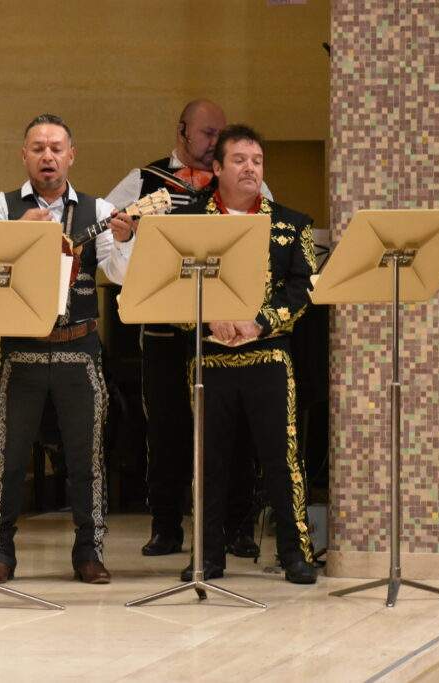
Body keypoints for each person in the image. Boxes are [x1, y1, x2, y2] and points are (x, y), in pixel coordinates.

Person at [106, 99, 267, 559]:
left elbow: (265, 245)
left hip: (225, 330)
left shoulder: (241, 179)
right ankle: (166, 526)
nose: (216, 143)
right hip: (163, 330)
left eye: (221, 135)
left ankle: (236, 528)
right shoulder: (142, 181)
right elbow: (109, 251)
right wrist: (127, 240)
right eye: (208, 134)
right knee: (166, 429)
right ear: (182, 131)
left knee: (233, 430)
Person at [0, 113, 137, 584]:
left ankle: (89, 551)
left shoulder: (100, 209)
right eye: (37, 148)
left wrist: (125, 241)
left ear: (71, 155)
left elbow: (121, 276)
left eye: (56, 148)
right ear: (23, 155)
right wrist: (20, 237)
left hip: (79, 349)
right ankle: (1, 552)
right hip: (21, 352)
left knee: (86, 456)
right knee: (6, 458)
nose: (47, 156)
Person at [184, 123, 318, 584]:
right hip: (210, 360)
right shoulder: (187, 224)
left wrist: (259, 321)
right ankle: (207, 554)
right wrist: (207, 318)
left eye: (257, 161)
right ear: (216, 168)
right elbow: (168, 288)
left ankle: (295, 553)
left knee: (281, 457)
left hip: (269, 358)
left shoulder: (291, 224)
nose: (250, 168)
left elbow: (303, 291)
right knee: (208, 460)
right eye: (239, 160)